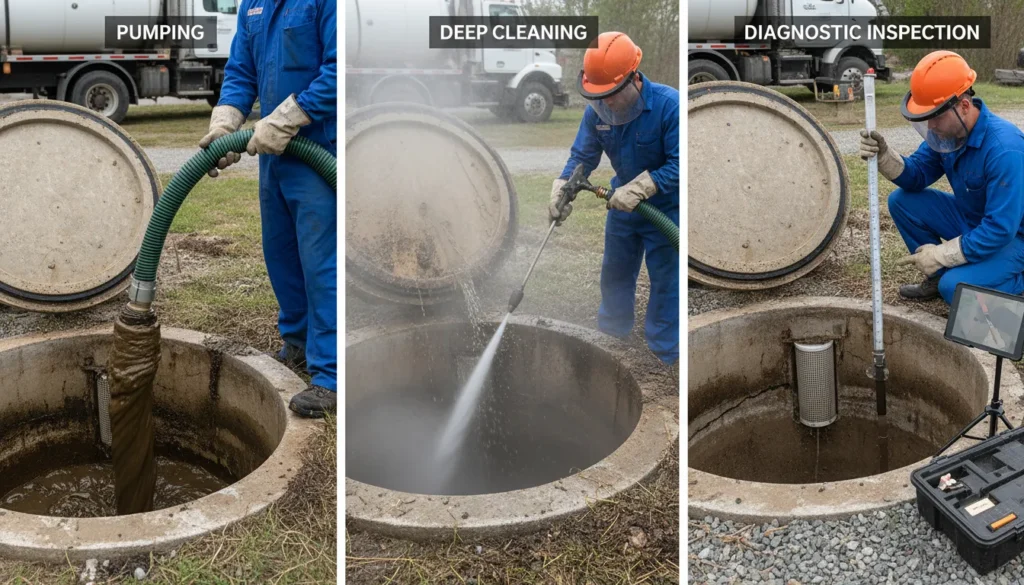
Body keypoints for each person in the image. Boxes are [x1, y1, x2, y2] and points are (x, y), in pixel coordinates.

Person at [198, 0, 337, 417]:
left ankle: (331, 376)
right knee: (280, 253)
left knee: (319, 263)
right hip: (276, 158)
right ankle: (296, 344)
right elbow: (242, 71)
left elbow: (337, 70)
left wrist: (288, 118)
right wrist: (224, 122)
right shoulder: (253, 5)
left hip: (317, 150)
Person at [552, 32, 679, 364]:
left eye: (610, 94)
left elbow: (683, 163)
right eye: (599, 95)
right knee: (615, 274)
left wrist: (643, 187)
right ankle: (611, 342)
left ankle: (663, 354)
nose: (605, 102)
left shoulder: (669, 107)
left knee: (667, 280)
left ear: (633, 79)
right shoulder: (597, 112)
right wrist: (564, 184)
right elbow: (583, 155)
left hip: (666, 208)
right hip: (622, 207)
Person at [860, 50, 1024, 304]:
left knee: (954, 288)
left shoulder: (1005, 150)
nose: (931, 127)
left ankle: (1014, 278)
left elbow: (1000, 229)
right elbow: (916, 176)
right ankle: (939, 277)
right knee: (902, 201)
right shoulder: (948, 135)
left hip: (1013, 237)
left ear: (964, 106)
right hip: (975, 221)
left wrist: (942, 255)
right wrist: (885, 157)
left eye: (934, 117)